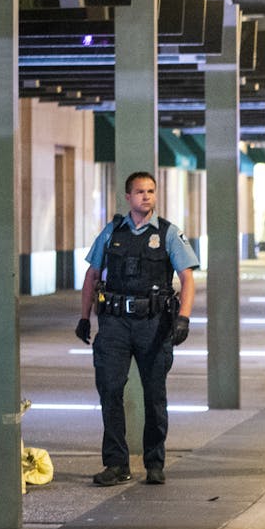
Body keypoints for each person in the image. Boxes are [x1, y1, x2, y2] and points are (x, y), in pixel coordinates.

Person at [76, 171, 199, 486]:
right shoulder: (112, 231)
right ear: (128, 197)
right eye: (140, 192)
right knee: (110, 391)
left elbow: (186, 278)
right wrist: (83, 316)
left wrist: (183, 318)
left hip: (153, 324)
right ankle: (116, 464)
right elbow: (92, 274)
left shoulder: (169, 233)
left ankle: (154, 463)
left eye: (151, 191)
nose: (146, 197)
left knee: (154, 395)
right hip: (115, 323)